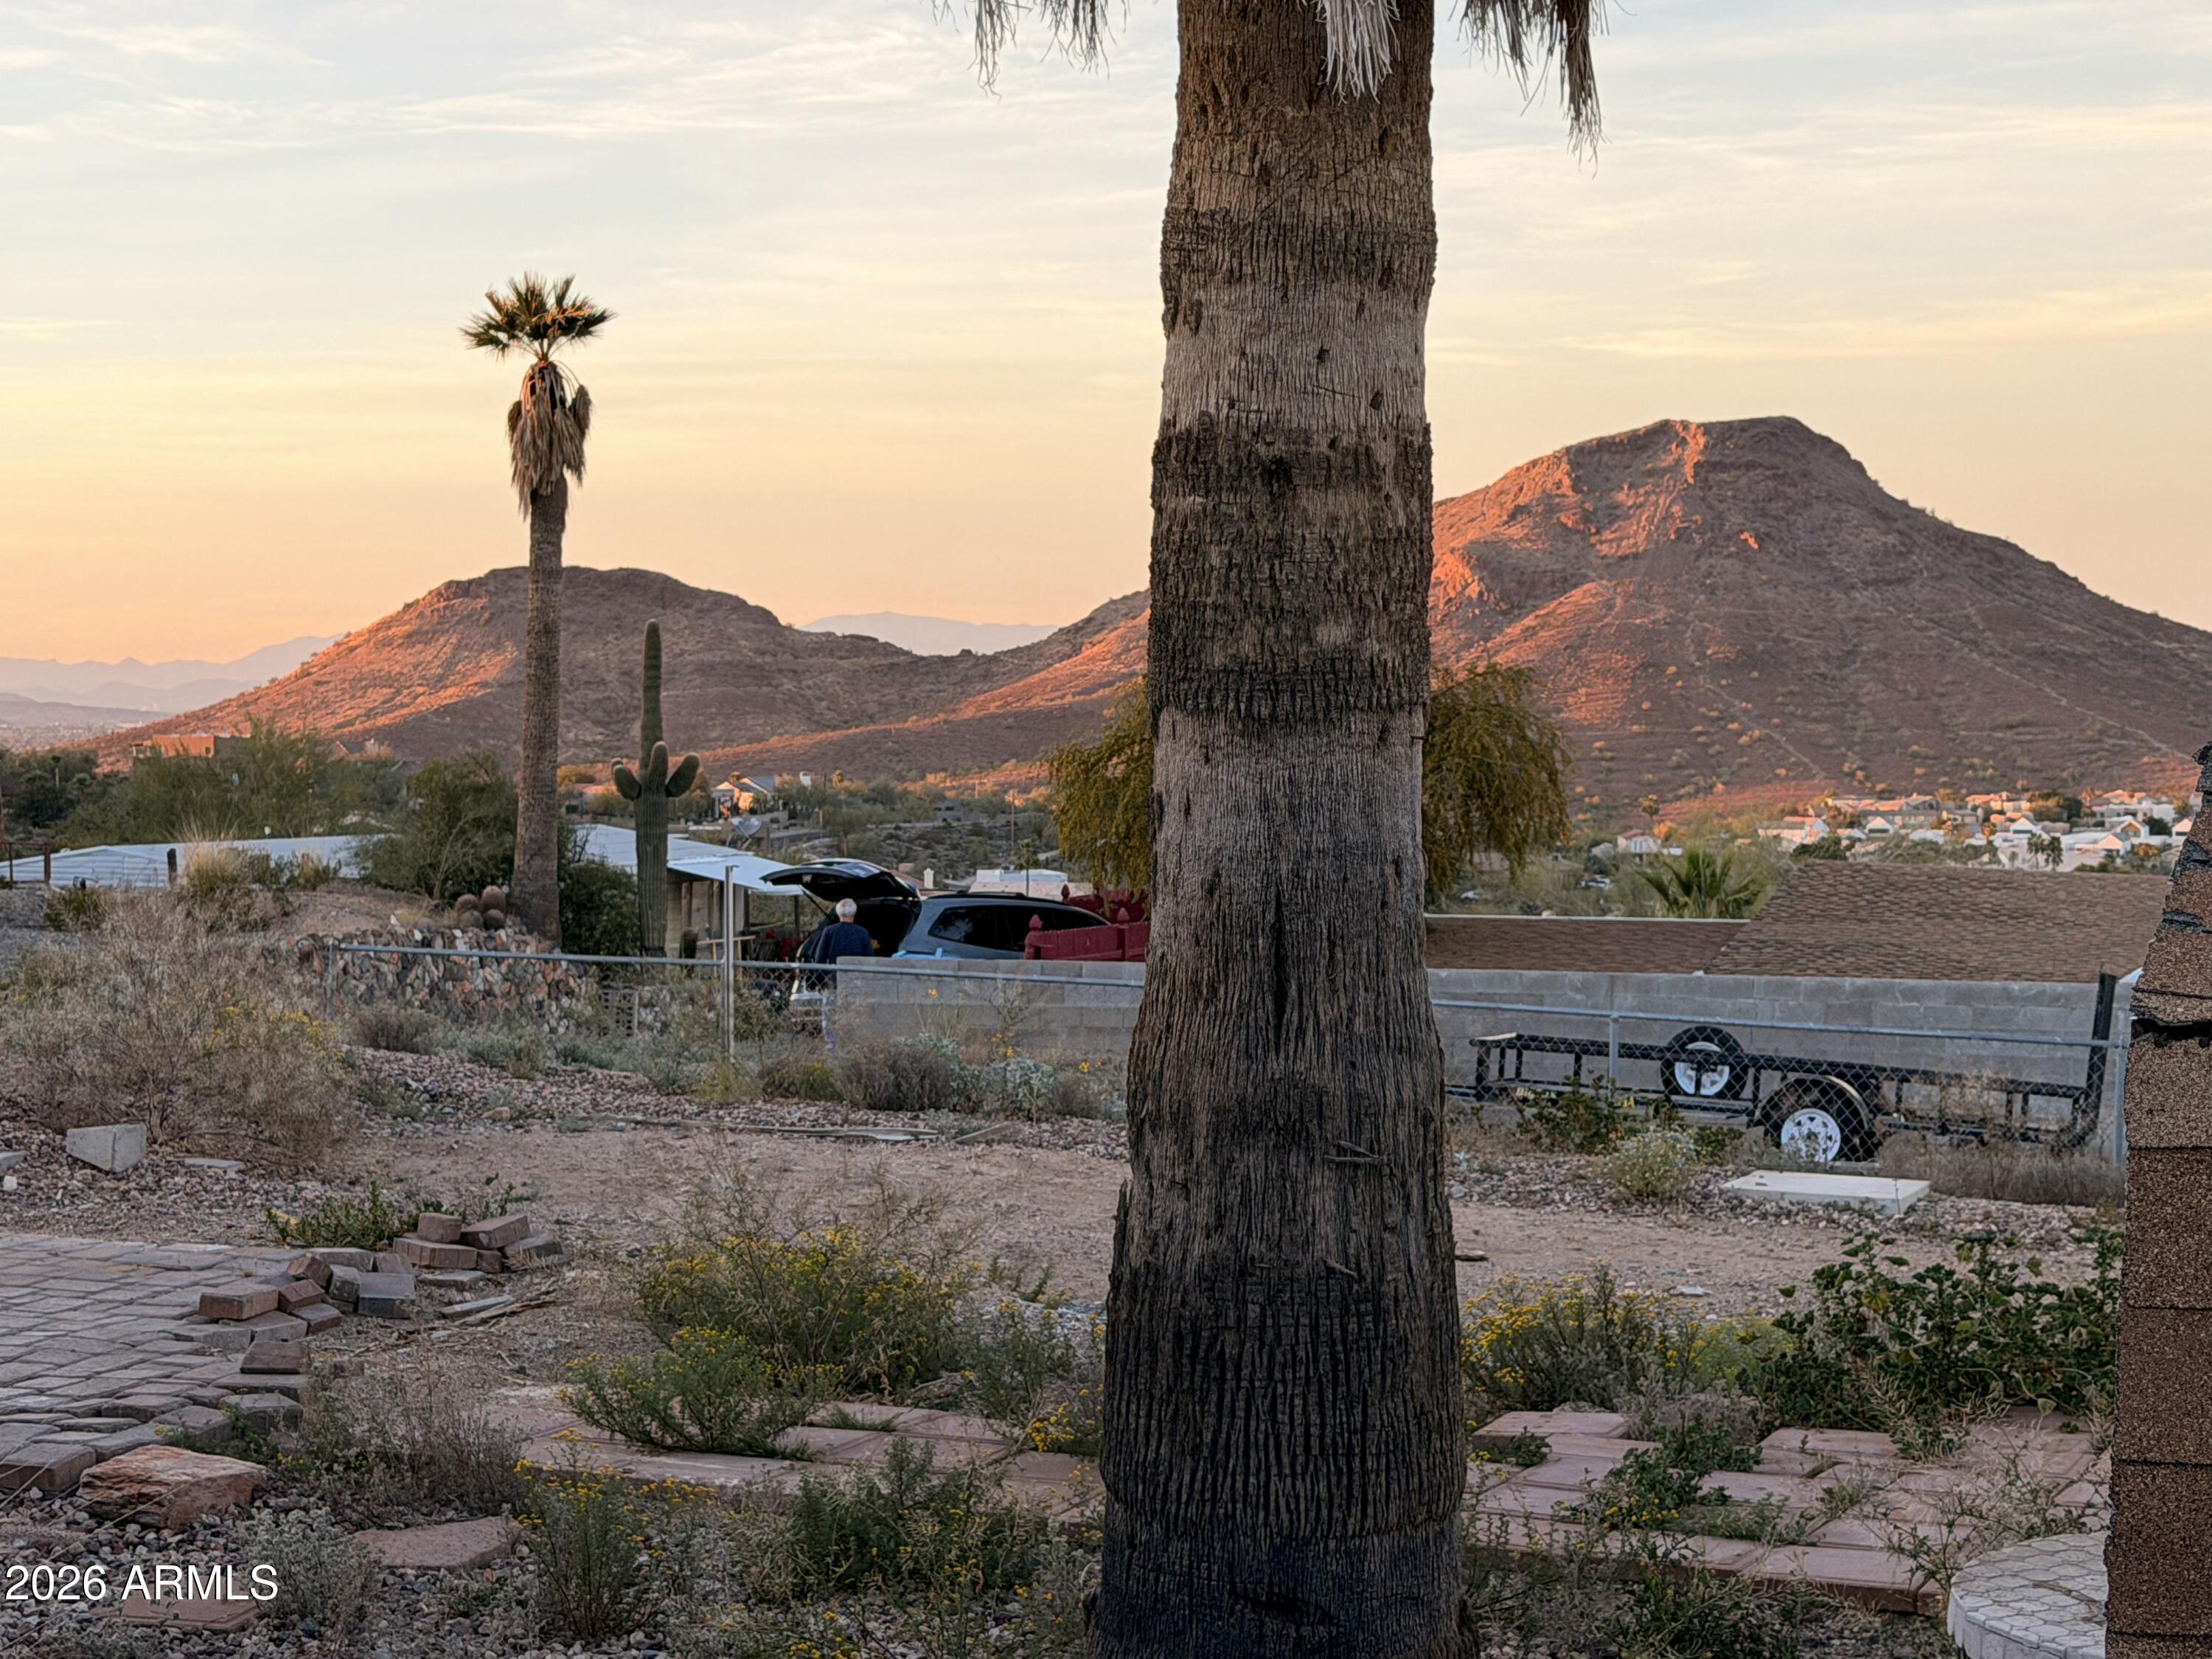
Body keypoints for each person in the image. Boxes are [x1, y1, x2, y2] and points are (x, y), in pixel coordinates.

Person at [800, 899, 876, 1048]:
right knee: (855, 1013)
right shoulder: (862, 933)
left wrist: (819, 981)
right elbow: (869, 959)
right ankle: (854, 1045)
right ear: (854, 913)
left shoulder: (829, 932)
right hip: (856, 982)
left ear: (838, 912)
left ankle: (832, 1045)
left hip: (833, 981)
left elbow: (820, 959)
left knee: (829, 1016)